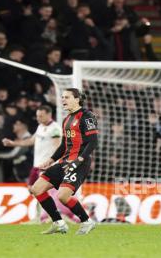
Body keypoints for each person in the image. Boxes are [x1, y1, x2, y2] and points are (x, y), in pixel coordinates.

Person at [30, 88, 98, 235]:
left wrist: (78, 160)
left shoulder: (87, 116)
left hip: (79, 163)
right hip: (64, 161)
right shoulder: (67, 119)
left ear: (77, 99)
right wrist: (51, 160)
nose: (63, 100)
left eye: (67, 97)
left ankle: (87, 221)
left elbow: (92, 142)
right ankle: (59, 223)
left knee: (63, 196)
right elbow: (63, 145)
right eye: (62, 97)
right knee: (36, 189)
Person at [2, 105, 62, 222]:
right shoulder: (40, 127)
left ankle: (47, 217)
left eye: (41, 116)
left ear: (49, 115)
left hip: (46, 166)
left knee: (40, 191)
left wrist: (51, 162)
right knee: (32, 190)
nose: (38, 118)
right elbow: (31, 141)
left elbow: (57, 146)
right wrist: (13, 143)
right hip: (36, 166)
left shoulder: (55, 129)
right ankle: (41, 216)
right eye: (37, 116)